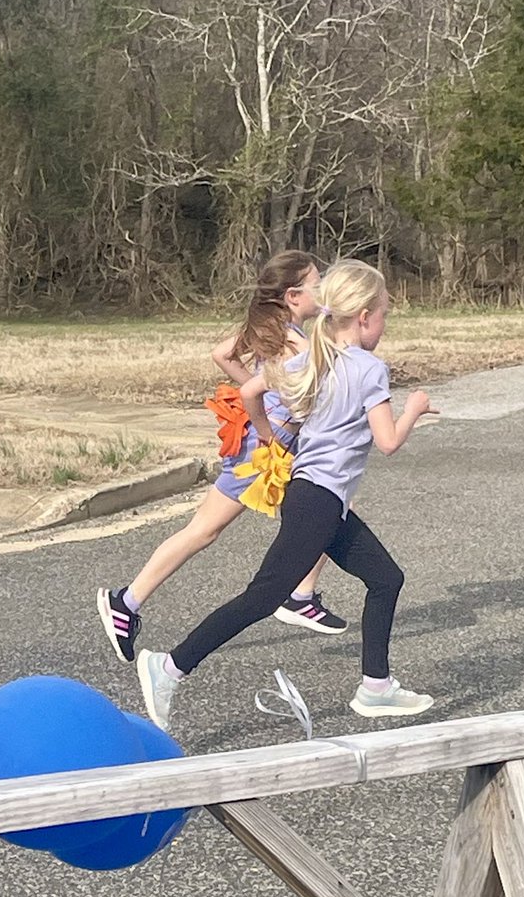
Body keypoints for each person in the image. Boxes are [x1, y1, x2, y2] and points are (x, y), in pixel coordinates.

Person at [136, 258, 437, 728]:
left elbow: (252, 391)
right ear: (364, 317)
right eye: (383, 316)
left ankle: (376, 687)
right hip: (318, 501)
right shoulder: (369, 368)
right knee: (263, 597)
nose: (383, 325)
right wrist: (415, 408)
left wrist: (270, 435)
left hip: (316, 498)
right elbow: (389, 442)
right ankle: (169, 667)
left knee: (385, 578)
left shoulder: (310, 356)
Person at [97, 250, 348, 664]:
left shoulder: (275, 328)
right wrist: (267, 424)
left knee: (320, 510)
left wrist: (262, 397)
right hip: (267, 452)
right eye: (316, 282)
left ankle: (128, 602)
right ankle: (128, 602)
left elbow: (222, 354)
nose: (323, 288)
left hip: (269, 444)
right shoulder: (294, 340)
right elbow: (304, 394)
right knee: (218, 527)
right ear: (292, 295)